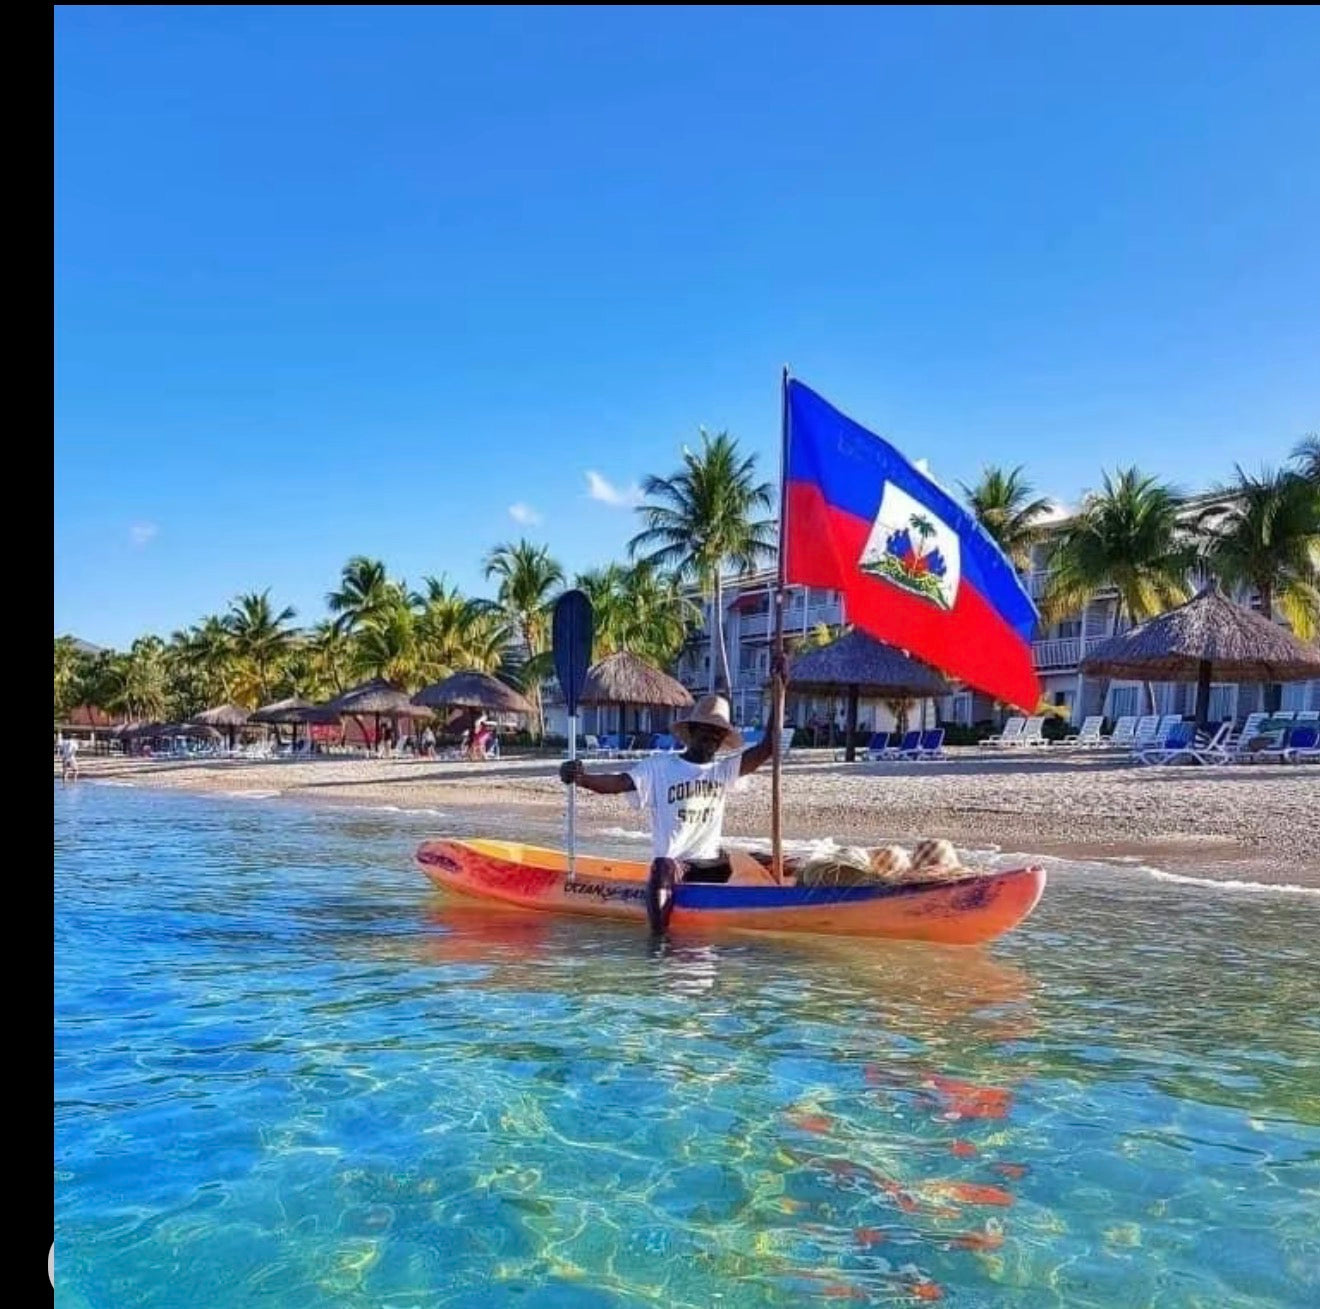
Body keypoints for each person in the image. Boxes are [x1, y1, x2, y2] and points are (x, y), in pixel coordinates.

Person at [560, 675, 783, 932]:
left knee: (753, 858)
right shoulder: (660, 767)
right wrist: (580, 778)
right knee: (662, 865)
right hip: (677, 867)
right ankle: (659, 943)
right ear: (691, 731)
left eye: (718, 732)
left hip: (711, 866)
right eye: (706, 730)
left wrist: (778, 691)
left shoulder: (724, 770)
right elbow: (620, 782)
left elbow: (768, 747)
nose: (711, 737)